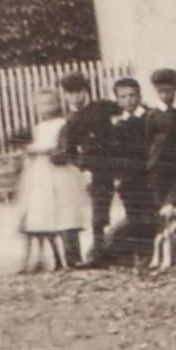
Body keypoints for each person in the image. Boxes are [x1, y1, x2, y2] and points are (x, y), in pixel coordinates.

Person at [13, 85, 92, 273]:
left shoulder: (63, 124)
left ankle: (72, 257)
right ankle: (51, 259)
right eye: (41, 105)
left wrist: (40, 149)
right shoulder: (37, 128)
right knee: (43, 213)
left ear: (58, 104)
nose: (46, 108)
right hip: (41, 175)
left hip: (60, 173)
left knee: (65, 213)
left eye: (50, 103)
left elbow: (61, 148)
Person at [56, 73, 119, 258]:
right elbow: (70, 152)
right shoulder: (72, 121)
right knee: (99, 213)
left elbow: (124, 115)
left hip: (119, 161)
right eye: (70, 93)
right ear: (66, 95)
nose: (76, 96)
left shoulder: (103, 107)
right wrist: (83, 167)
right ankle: (99, 251)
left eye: (79, 91)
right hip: (97, 169)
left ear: (86, 91)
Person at [97, 76, 158, 260]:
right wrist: (118, 176)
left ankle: (154, 251)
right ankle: (140, 253)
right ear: (117, 100)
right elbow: (115, 153)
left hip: (148, 174)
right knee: (133, 213)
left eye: (132, 95)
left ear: (139, 95)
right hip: (128, 178)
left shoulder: (149, 117)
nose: (128, 100)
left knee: (151, 211)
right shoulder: (118, 123)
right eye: (123, 97)